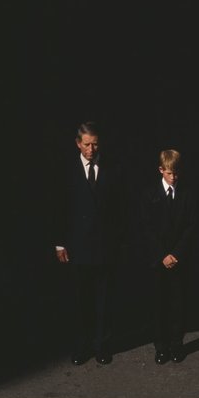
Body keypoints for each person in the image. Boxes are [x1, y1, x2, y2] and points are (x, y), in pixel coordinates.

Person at [55, 121, 127, 366]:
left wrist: (119, 241)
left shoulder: (112, 168)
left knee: (104, 300)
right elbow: (59, 207)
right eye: (87, 144)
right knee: (80, 300)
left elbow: (120, 208)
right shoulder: (68, 169)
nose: (91, 149)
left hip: (105, 245)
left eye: (95, 143)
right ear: (78, 144)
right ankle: (81, 346)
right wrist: (60, 243)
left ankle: (102, 346)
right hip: (78, 247)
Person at [139, 150, 197, 365]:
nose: (174, 178)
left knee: (178, 304)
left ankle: (176, 345)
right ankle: (160, 346)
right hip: (158, 259)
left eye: (177, 173)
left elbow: (191, 226)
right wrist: (162, 255)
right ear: (161, 170)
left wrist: (176, 253)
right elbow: (147, 229)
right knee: (159, 305)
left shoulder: (187, 194)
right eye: (170, 173)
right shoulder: (149, 194)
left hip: (178, 258)